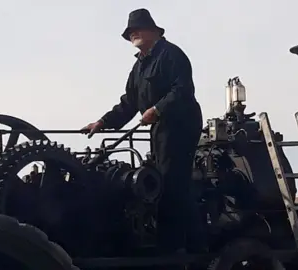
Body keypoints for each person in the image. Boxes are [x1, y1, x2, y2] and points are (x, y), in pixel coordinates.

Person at [81, 8, 207, 254]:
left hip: (180, 126)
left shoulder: (171, 54)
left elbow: (183, 90)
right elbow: (129, 102)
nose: (133, 35)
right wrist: (103, 122)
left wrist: (157, 110)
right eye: (130, 32)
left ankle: (178, 247)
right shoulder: (139, 66)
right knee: (162, 180)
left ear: (153, 31)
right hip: (159, 129)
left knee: (172, 182)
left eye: (137, 29)